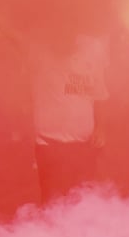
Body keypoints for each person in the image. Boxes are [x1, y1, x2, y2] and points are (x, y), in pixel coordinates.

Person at [31, 34, 110, 202]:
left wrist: (100, 128)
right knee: (53, 204)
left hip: (84, 146)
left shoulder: (93, 52)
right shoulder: (40, 52)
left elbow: (100, 97)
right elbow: (12, 35)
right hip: (50, 145)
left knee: (82, 202)